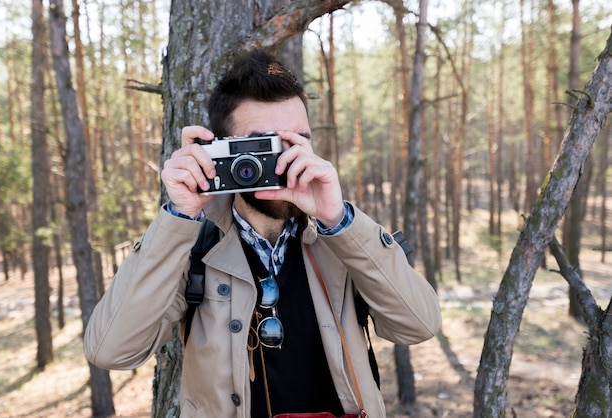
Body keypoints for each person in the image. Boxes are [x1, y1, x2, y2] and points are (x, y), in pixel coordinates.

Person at [84, 49, 441, 418]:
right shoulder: (195, 252)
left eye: (295, 141)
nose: (281, 161)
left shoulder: (344, 240)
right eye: (261, 146)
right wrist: (179, 216)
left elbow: (419, 325)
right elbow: (111, 350)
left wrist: (338, 219)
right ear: (221, 154)